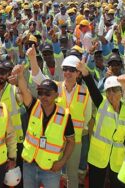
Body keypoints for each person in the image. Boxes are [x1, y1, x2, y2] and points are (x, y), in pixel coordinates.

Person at [27, 46, 91, 188]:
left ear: (78, 73)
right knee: (53, 173)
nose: (68, 73)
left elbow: (86, 117)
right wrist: (32, 58)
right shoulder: (54, 88)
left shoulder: (85, 92)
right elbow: (38, 77)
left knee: (72, 175)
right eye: (65, 69)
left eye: (72, 70)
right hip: (55, 139)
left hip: (75, 141)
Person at [12, 64, 75, 188]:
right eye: (40, 93)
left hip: (51, 168)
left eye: (47, 93)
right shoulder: (33, 106)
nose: (43, 97)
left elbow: (71, 141)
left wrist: (62, 162)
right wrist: (20, 75)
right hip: (29, 164)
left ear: (56, 95)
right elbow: (24, 90)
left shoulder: (65, 116)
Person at [76, 58, 125, 188]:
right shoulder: (102, 104)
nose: (111, 94)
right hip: (98, 158)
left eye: (115, 90)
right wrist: (84, 71)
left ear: (121, 92)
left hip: (118, 161)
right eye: (108, 91)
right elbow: (91, 86)